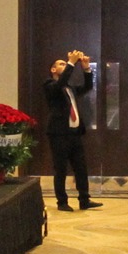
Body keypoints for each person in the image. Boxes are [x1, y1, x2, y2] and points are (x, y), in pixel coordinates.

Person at [43, 50, 100, 213]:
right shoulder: (49, 85)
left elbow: (88, 86)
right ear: (53, 70)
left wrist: (86, 68)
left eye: (64, 63)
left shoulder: (69, 88)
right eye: (61, 64)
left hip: (74, 133)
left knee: (81, 168)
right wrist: (71, 62)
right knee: (60, 169)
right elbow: (59, 84)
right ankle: (62, 202)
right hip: (59, 134)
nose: (64, 65)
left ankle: (84, 200)